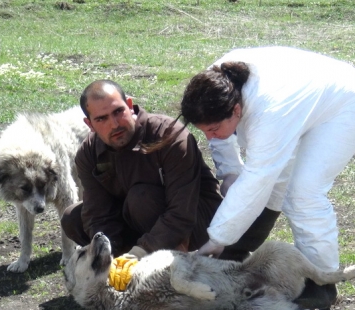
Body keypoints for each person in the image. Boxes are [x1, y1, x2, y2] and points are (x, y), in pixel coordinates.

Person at [179, 46, 355, 309]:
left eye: (213, 129)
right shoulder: (215, 86)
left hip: (345, 103)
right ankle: (236, 251)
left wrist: (216, 239)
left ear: (237, 110)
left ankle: (321, 282)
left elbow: (258, 179)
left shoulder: (269, 113)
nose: (209, 137)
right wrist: (229, 173)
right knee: (269, 176)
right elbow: (221, 139)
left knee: (303, 192)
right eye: (203, 131)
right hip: (300, 98)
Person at [61, 79, 277, 260]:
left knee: (141, 198)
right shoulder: (89, 153)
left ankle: (163, 264)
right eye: (102, 119)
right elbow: (98, 213)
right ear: (89, 124)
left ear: (129, 104)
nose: (115, 124)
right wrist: (111, 257)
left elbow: (181, 212)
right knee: (74, 217)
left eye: (118, 112)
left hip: (193, 222)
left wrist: (139, 252)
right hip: (138, 221)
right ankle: (129, 267)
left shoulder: (169, 135)